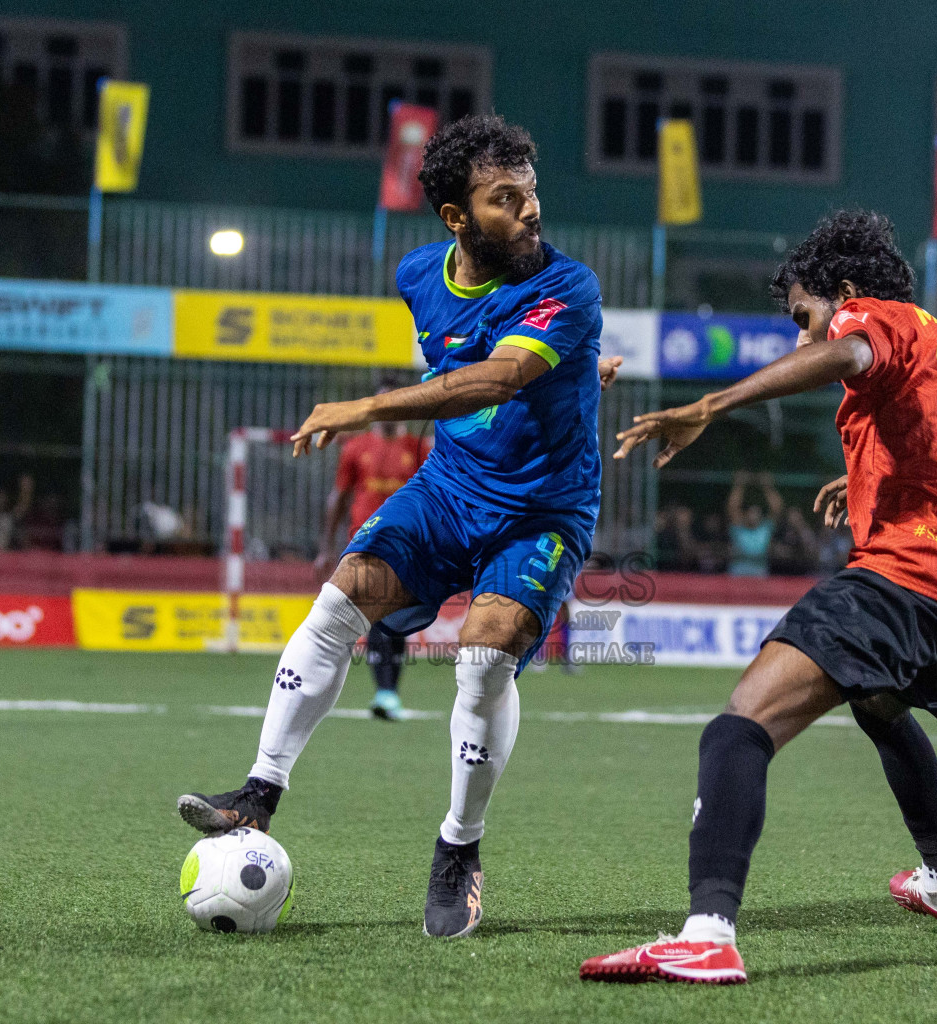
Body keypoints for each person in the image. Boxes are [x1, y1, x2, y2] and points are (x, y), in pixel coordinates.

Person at [177, 114, 622, 938]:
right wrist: (580, 371)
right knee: (335, 605)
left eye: (531, 192)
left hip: (541, 510)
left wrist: (369, 406)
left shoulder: (570, 285)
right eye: (504, 198)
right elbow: (475, 356)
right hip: (449, 490)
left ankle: (459, 847)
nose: (529, 211)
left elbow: (494, 378)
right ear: (456, 218)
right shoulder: (419, 273)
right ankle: (260, 791)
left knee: (484, 660)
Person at [580, 211, 937, 984]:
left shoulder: (875, 317)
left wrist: (712, 406)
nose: (803, 340)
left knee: (738, 727)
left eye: (802, 319)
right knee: (880, 706)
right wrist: (874, 467)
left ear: (845, 291)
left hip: (906, 580)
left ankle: (706, 932)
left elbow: (848, 350)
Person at [314, 378, 432, 721]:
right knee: (376, 613)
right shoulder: (355, 447)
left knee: (394, 618)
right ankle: (384, 692)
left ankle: (389, 691)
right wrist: (325, 547)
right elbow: (338, 498)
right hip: (365, 540)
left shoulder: (419, 447)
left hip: (408, 542)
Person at [726, 471, 781, 576]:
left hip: (759, 573)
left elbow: (776, 509)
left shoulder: (765, 529)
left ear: (760, 516)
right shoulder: (738, 528)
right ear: (745, 515)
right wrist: (739, 485)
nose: (753, 516)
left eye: (756, 513)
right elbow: (732, 508)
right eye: (751, 512)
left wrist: (768, 487)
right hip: (738, 573)